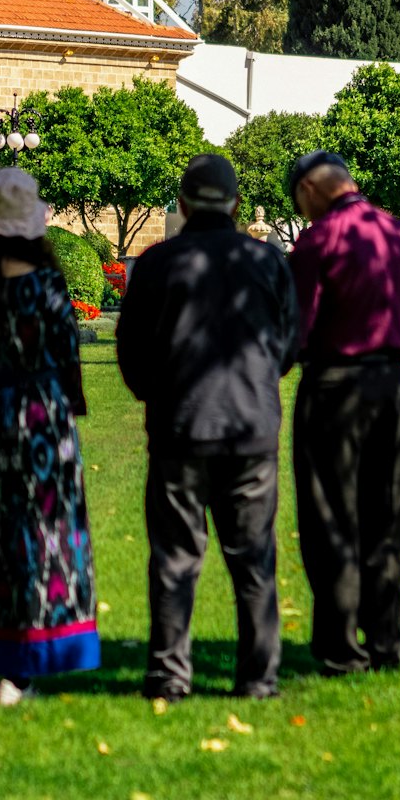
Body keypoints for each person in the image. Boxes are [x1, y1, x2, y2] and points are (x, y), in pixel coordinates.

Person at [117, 154, 299, 701]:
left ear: (182, 204)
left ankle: (169, 674)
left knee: (175, 556)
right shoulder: (268, 261)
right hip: (249, 425)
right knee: (253, 558)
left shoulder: (157, 263)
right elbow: (289, 344)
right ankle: (257, 677)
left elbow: (131, 349)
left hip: (180, 424)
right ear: (238, 204)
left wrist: (157, 393)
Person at [0, 168, 99, 705]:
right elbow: (66, 364)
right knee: (37, 541)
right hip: (38, 423)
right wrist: (70, 408)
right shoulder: (47, 287)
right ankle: (18, 672)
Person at [287, 150, 400, 676]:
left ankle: (339, 646)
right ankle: (387, 643)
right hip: (392, 386)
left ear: (309, 191)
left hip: (333, 385)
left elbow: (295, 327)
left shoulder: (318, 240)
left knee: (332, 516)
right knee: (389, 514)